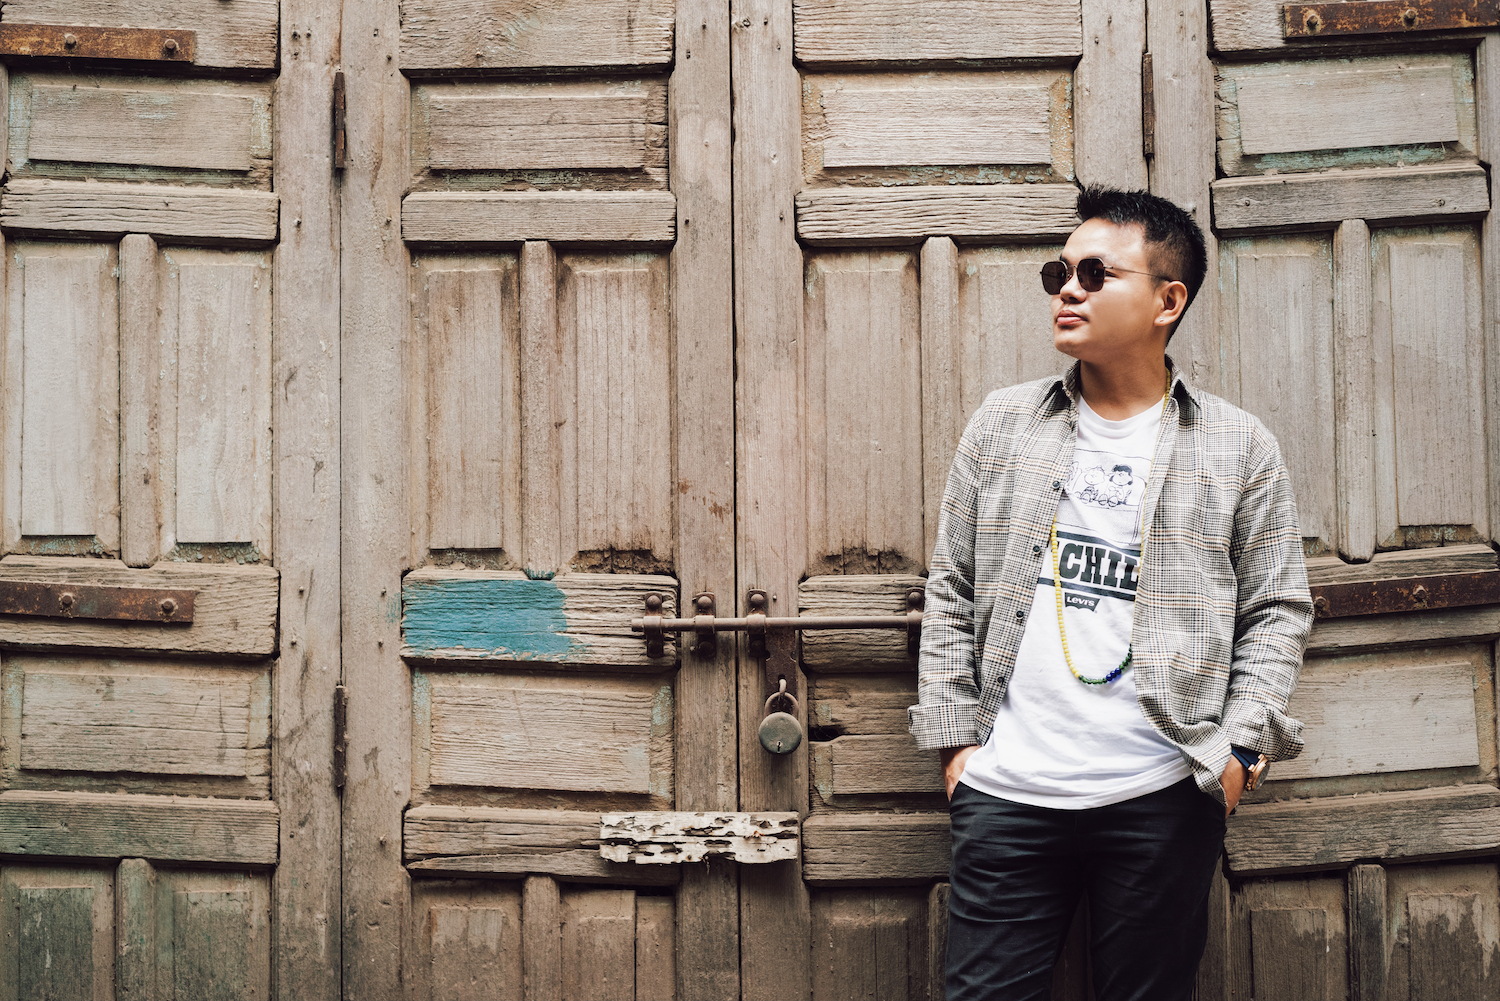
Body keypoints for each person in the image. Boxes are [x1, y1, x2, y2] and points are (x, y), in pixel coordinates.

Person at [909, 186, 1313, 1001]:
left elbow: (1278, 609)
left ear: (1168, 301)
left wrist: (1238, 755)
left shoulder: (1238, 446)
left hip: (1163, 794)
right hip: (1008, 793)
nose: (1068, 288)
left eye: (1096, 274)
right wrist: (958, 754)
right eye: (1060, 271)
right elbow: (951, 586)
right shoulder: (1002, 424)